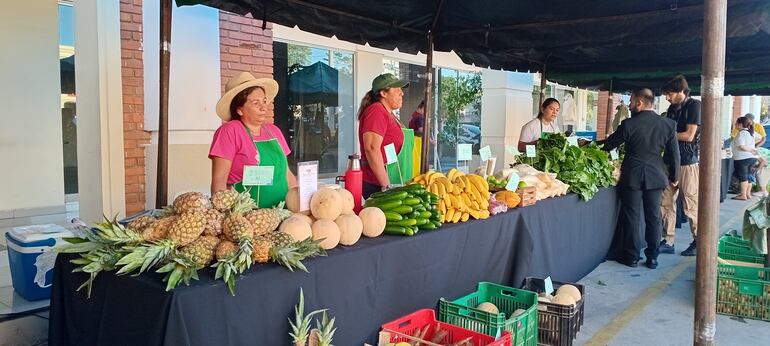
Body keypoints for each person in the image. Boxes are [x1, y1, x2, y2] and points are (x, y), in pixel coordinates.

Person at [601, 88, 680, 269]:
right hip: (656, 176)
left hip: (632, 175)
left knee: (632, 217)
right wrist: (675, 176)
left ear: (639, 103)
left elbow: (609, 145)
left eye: (631, 102)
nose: (629, 105)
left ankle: (632, 257)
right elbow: (674, 155)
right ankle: (652, 257)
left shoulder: (629, 124)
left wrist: (590, 145)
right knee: (653, 217)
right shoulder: (668, 124)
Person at [209, 72, 297, 208]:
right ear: (239, 110)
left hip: (282, 212)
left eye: (264, 101)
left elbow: (287, 174)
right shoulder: (230, 131)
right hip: (247, 217)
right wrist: (225, 216)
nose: (264, 107)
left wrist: (299, 198)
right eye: (256, 103)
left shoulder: (274, 131)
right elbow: (219, 182)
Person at [659, 75, 700, 257]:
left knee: (690, 203)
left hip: (687, 162)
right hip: (668, 161)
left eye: (669, 94)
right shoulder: (671, 108)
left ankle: (699, 240)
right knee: (666, 202)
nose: (667, 98)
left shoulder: (694, 106)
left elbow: (689, 135)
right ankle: (668, 240)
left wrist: (666, 135)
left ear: (681, 91)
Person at [359, 73, 415, 198]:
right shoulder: (376, 110)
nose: (402, 93)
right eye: (397, 89)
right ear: (383, 93)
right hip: (379, 184)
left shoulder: (389, 114)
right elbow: (372, 148)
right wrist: (386, 186)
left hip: (395, 179)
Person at [732, 116, 759, 200]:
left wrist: (751, 149)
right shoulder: (751, 132)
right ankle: (748, 194)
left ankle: (743, 195)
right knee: (748, 176)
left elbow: (741, 146)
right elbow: (760, 138)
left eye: (736, 123)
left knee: (743, 177)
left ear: (740, 124)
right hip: (751, 158)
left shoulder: (742, 133)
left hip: (742, 158)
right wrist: (753, 147)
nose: (735, 124)